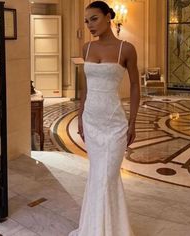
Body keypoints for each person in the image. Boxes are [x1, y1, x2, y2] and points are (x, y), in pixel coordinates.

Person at [69, 1, 140, 235]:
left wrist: (132, 122)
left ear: (109, 16)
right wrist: (80, 116)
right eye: (87, 21)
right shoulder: (86, 49)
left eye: (94, 18)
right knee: (97, 175)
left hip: (114, 123)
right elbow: (85, 87)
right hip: (91, 120)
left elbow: (135, 86)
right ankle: (95, 228)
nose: (90, 25)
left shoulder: (126, 49)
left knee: (107, 177)